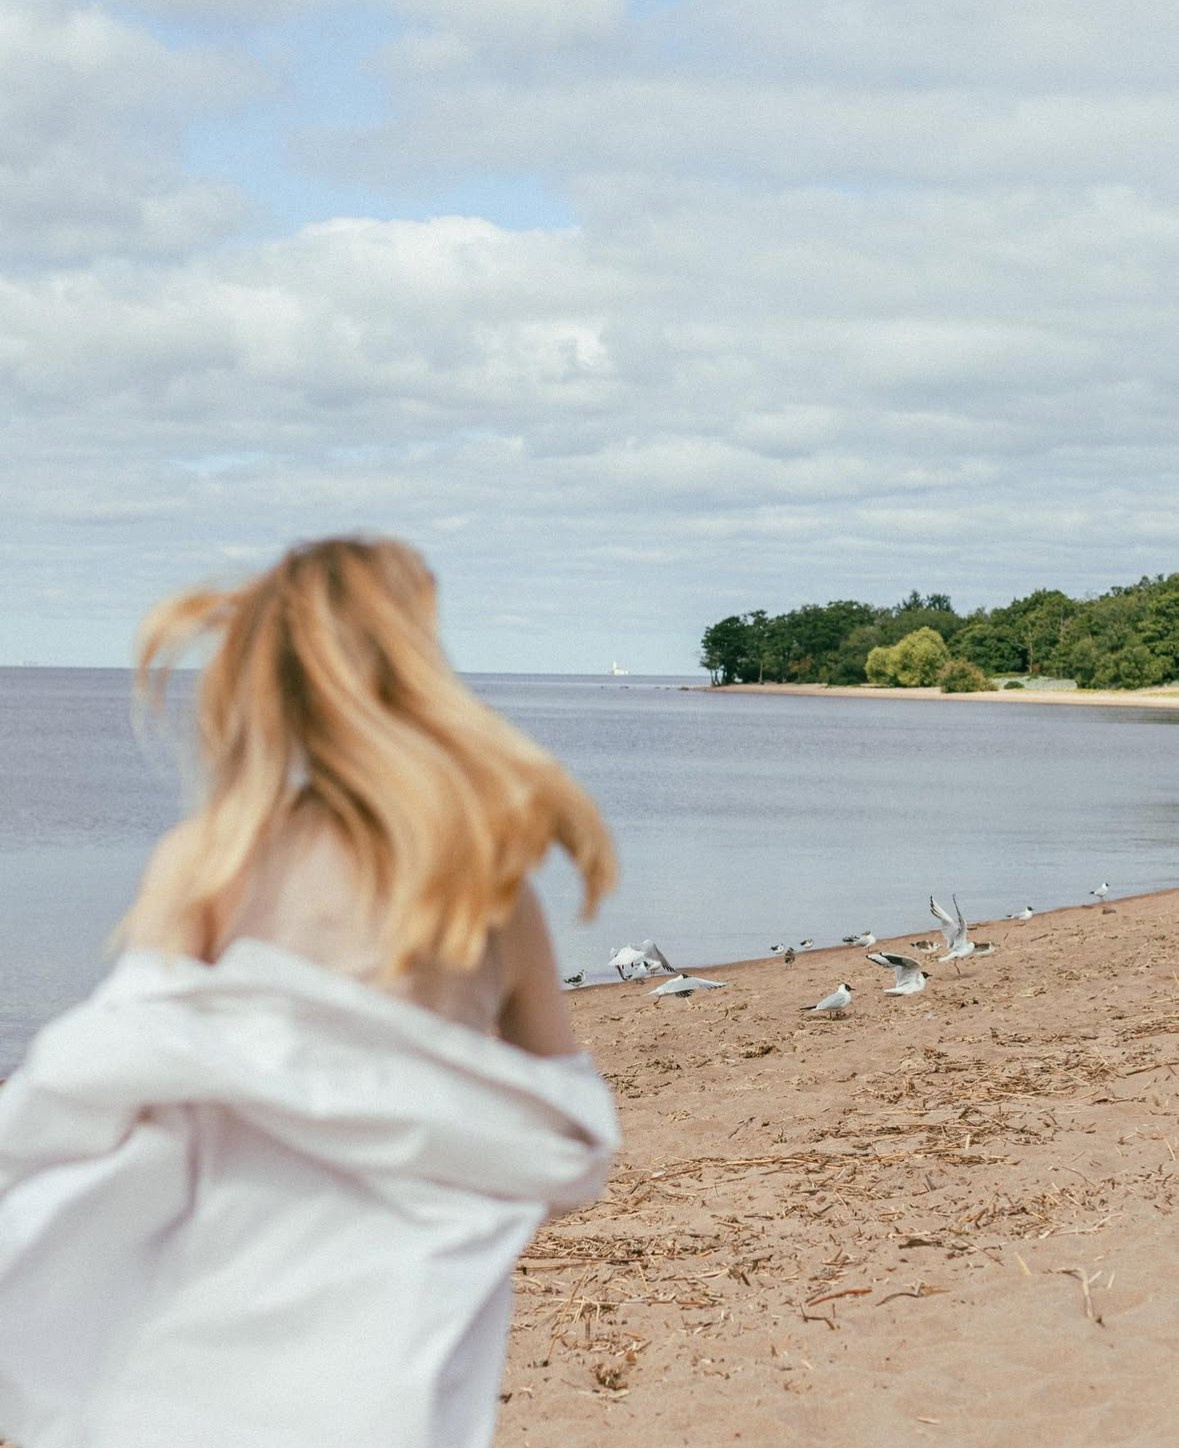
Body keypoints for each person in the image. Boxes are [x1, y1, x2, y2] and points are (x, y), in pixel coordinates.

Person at [0, 536, 620, 1448]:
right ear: (419, 669)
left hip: (219, 1299)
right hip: (396, 1317)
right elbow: (561, 1123)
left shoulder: (210, 862)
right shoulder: (484, 886)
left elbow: (115, 1069)